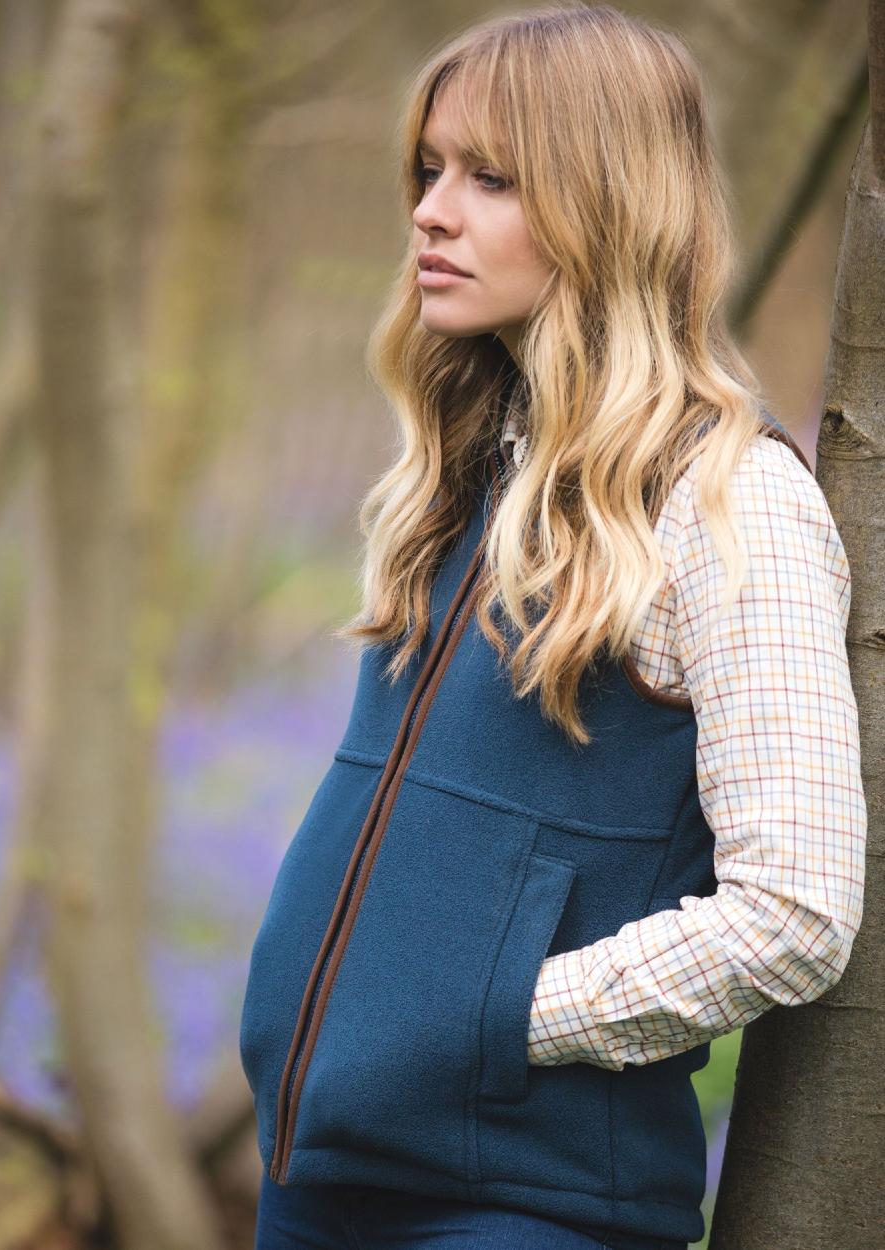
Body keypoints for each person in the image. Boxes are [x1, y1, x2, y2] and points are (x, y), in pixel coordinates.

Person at [238, 5, 867, 1248]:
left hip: (516, 1210)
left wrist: (493, 1008)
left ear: (605, 201)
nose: (429, 209)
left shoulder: (725, 499)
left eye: (490, 177)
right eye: (428, 171)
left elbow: (794, 908)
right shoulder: (467, 469)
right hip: (314, 1180)